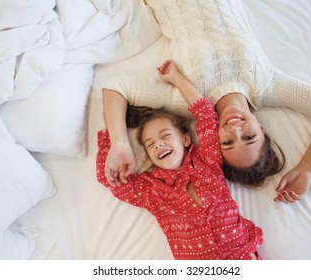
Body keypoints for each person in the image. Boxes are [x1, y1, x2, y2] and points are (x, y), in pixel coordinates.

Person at [101, 0, 311, 203]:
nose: (236, 129)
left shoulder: (187, 101)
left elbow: (116, 87)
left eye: (227, 142)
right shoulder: (267, 85)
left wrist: (120, 142)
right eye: (249, 137)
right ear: (262, 129)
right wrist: (307, 169)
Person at [96, 60, 263, 260]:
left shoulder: (208, 161)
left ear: (185, 139)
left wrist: (176, 78)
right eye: (150, 144)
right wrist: (114, 141)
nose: (158, 144)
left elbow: (206, 115)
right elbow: (113, 181)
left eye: (165, 136)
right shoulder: (152, 190)